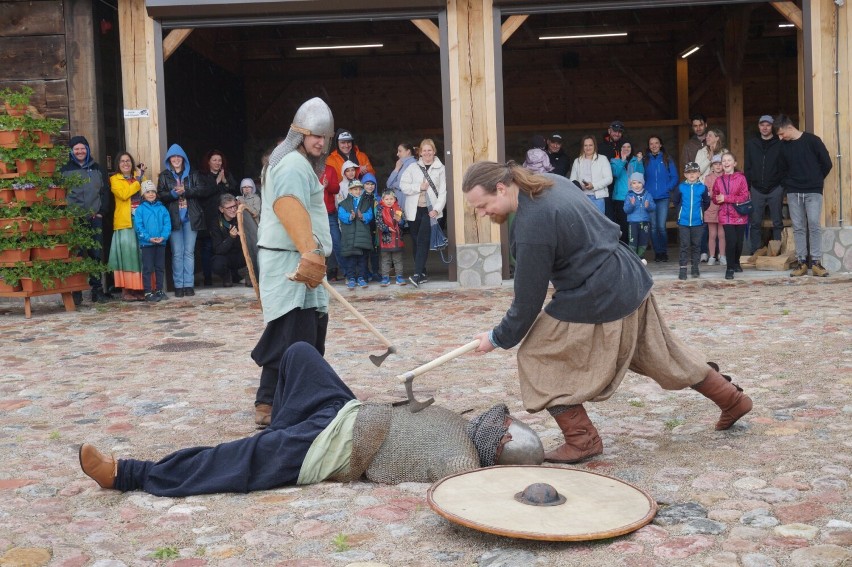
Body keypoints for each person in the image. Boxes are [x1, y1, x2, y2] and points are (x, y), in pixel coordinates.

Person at [462, 161, 753, 464]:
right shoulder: (547, 180)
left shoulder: (532, 222)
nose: (482, 213)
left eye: (483, 205)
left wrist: (497, 338)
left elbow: (526, 303)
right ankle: (732, 398)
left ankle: (582, 440)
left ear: (500, 188)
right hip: (628, 276)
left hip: (600, 291)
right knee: (660, 353)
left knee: (536, 355)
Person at [78, 343, 545, 495]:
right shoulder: (459, 423)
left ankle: (126, 474)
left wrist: (526, 494)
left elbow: (471, 499)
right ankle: (280, 430)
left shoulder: (460, 460)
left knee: (236, 458)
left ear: (499, 450)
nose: (503, 424)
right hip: (346, 411)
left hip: (332, 451)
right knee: (300, 353)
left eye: (505, 432)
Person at [251, 97, 335, 428]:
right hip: (292, 262)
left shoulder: (296, 163)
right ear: (297, 134)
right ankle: (271, 403)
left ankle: (282, 401)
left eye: (324, 136)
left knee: (303, 334)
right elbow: (289, 207)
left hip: (298, 259)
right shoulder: (292, 165)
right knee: (291, 334)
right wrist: (309, 253)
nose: (319, 141)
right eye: (313, 134)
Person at [775, 114, 833, 277]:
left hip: (813, 191)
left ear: (790, 127)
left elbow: (827, 163)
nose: (780, 138)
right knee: (798, 227)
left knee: (814, 224)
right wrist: (788, 185)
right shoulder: (783, 147)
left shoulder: (812, 141)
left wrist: (815, 180)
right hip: (794, 192)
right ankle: (801, 262)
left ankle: (816, 263)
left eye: (781, 134)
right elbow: (780, 169)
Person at [157, 144, 212, 297]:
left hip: (190, 218)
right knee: (177, 253)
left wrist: (186, 191)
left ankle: (189, 284)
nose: (175, 159)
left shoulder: (193, 174)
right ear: (169, 160)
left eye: (178, 156)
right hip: (174, 218)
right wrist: (174, 194)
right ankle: (178, 285)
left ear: (183, 159)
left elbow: (202, 190)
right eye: (172, 157)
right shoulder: (164, 175)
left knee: (189, 252)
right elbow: (160, 194)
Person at [61, 135, 110, 304]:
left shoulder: (97, 169)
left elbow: (105, 192)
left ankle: (97, 290)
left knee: (95, 254)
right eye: (77, 149)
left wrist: (102, 211)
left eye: (83, 148)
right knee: (77, 254)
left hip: (94, 217)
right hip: (74, 219)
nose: (80, 151)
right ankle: (77, 292)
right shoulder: (64, 170)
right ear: (71, 151)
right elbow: (60, 193)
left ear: (88, 150)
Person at [400, 138, 446, 287]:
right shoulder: (412, 168)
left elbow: (443, 192)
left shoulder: (441, 168)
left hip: (430, 211)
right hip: (414, 210)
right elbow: (403, 186)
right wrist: (419, 187)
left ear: (434, 151)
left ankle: (417, 274)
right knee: (415, 241)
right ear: (420, 152)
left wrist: (437, 209)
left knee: (422, 240)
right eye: (424, 150)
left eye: (429, 150)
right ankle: (423, 271)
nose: (427, 153)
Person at [108, 152, 145, 301]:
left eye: (128, 161)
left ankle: (140, 289)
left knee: (140, 255)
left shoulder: (140, 177)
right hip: (125, 222)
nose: (125, 163)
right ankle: (126, 290)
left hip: (140, 220)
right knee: (127, 256)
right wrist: (138, 181)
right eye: (122, 161)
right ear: (118, 164)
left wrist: (141, 178)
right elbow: (124, 194)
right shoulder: (114, 179)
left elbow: (148, 193)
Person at [744, 116, 784, 254]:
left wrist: (782, 184)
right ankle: (756, 251)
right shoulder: (752, 143)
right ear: (758, 126)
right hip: (756, 189)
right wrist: (748, 187)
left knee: (777, 222)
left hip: (775, 188)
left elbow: (785, 165)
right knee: (755, 222)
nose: (765, 127)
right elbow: (747, 166)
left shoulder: (780, 143)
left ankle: (779, 251)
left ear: (772, 126)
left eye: (768, 125)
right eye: (762, 125)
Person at [198, 150, 237, 287]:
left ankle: (233, 275)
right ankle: (207, 278)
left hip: (226, 218)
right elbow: (202, 193)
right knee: (208, 247)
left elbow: (234, 192)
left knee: (232, 244)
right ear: (208, 162)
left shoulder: (226, 174)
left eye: (219, 160)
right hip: (209, 218)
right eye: (214, 160)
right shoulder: (202, 176)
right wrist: (216, 182)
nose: (217, 162)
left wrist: (225, 181)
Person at [711, 151, 750, 280]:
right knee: (731, 241)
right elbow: (715, 197)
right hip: (725, 215)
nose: (726, 163)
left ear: (734, 163)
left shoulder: (741, 178)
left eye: (729, 160)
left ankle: (737, 262)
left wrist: (726, 198)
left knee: (739, 243)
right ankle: (730, 268)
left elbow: (744, 196)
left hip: (739, 214)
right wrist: (717, 199)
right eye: (724, 161)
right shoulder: (719, 180)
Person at [642, 136, 679, 263]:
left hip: (663, 198)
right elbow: (641, 177)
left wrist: (667, 189)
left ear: (661, 144)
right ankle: (657, 253)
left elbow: (674, 177)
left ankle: (664, 252)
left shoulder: (667, 159)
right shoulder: (645, 160)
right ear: (649, 145)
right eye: (651, 143)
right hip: (650, 198)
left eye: (656, 143)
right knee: (653, 227)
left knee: (661, 226)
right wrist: (645, 191)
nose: (654, 145)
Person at [671, 162, 710, 280]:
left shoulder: (703, 188)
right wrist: (681, 212)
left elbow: (707, 202)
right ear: (685, 174)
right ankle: (683, 268)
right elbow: (676, 201)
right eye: (689, 172)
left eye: (694, 172)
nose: (691, 174)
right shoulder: (681, 187)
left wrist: (700, 212)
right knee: (684, 245)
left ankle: (695, 267)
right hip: (683, 221)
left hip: (698, 222)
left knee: (696, 245)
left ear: (698, 173)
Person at [134, 180, 171, 302]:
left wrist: (163, 237)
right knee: (148, 268)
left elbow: (167, 225)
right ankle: (148, 292)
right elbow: (139, 226)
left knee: (160, 267)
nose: (151, 194)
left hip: (160, 243)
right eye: (148, 192)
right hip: (147, 244)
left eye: (153, 191)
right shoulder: (140, 210)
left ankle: (159, 290)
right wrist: (148, 237)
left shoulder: (162, 208)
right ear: (143, 195)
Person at [338, 180, 374, 289]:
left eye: (359, 189)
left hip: (362, 237)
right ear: (350, 190)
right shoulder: (343, 203)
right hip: (350, 237)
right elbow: (341, 215)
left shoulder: (366, 203)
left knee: (363, 259)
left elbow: (370, 214)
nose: (358, 191)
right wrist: (350, 216)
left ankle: (362, 277)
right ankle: (351, 278)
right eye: (355, 189)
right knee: (351, 259)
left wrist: (363, 216)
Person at [209, 194, 247, 287]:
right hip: (226, 256)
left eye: (234, 206)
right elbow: (217, 249)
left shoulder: (242, 218)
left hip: (241, 255)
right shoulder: (216, 223)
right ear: (221, 209)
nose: (233, 209)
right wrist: (231, 238)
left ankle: (249, 276)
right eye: (229, 208)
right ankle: (227, 276)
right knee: (217, 263)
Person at [609, 140, 644, 243]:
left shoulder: (635, 160)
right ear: (620, 149)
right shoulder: (614, 161)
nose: (626, 149)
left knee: (634, 225)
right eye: (623, 147)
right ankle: (625, 249)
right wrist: (622, 161)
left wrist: (639, 162)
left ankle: (633, 250)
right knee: (623, 225)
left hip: (634, 196)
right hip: (620, 198)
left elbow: (641, 175)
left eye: (628, 147)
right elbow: (616, 174)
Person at [568, 135, 612, 215]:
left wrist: (594, 185)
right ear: (582, 147)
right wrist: (580, 186)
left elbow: (609, 178)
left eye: (590, 145)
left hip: (597, 197)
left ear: (595, 146)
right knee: (584, 225)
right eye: (585, 145)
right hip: (582, 198)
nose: (588, 148)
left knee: (598, 224)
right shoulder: (577, 161)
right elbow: (572, 180)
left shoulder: (602, 159)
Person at [622, 172, 655, 264]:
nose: (637, 185)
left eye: (639, 183)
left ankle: (641, 257)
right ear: (631, 184)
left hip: (644, 221)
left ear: (643, 183)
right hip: (633, 222)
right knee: (633, 240)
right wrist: (632, 205)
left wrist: (648, 206)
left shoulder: (647, 194)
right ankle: (633, 258)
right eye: (634, 183)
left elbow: (653, 207)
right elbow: (626, 210)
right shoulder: (629, 195)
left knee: (643, 240)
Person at [376, 189, 407, 286]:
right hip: (385, 240)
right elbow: (378, 222)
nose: (389, 201)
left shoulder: (398, 209)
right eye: (386, 199)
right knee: (386, 260)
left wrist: (400, 221)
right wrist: (386, 228)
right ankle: (385, 277)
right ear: (383, 200)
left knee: (398, 260)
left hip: (397, 239)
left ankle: (399, 277)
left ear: (395, 199)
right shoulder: (380, 210)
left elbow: (403, 222)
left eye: (391, 199)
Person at [319, 163, 343, 281]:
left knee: (336, 242)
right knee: (317, 245)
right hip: (314, 214)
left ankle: (347, 273)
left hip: (329, 212)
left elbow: (336, 188)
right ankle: (319, 274)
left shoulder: (330, 168)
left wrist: (327, 186)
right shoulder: (307, 168)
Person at [600, 120, 625, 223]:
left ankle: (622, 239)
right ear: (609, 130)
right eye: (615, 131)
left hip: (620, 186)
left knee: (621, 215)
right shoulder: (600, 147)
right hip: (607, 187)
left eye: (619, 132)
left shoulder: (624, 146)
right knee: (609, 216)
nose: (617, 134)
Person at [703, 155, 726, 266]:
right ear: (712, 166)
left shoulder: (726, 176)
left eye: (720, 164)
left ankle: (722, 256)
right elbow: (707, 194)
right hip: (711, 207)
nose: (718, 166)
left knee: (722, 234)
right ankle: (712, 256)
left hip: (723, 207)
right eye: (715, 164)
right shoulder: (708, 178)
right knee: (712, 234)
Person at [361, 173, 381, 282]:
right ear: (363, 185)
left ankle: (375, 272)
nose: (370, 186)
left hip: (375, 229)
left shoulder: (378, 198)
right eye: (367, 184)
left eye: (372, 184)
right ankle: (364, 274)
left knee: (375, 252)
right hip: (364, 229)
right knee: (364, 253)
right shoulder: (360, 198)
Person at [386, 142, 417, 211]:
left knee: (404, 220)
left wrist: (395, 185)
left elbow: (405, 184)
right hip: (399, 199)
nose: (397, 154)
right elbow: (388, 184)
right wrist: (396, 169)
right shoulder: (400, 164)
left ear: (408, 151)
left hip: (406, 200)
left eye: (400, 151)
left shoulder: (413, 164)